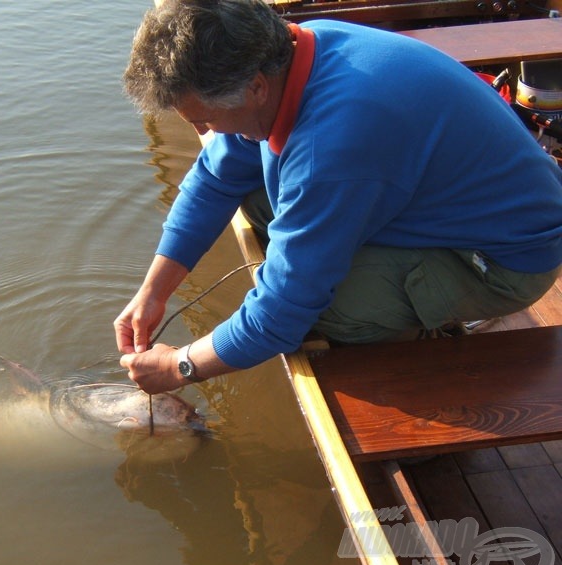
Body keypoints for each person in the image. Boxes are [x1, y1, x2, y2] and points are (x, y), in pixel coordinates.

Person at [114, 0, 562, 395]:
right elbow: (215, 177)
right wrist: (153, 293)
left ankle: (429, 365)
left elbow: (280, 318)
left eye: (206, 119)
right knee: (254, 193)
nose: (204, 132)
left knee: (324, 310)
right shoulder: (294, 52)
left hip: (502, 260)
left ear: (254, 87)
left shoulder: (328, 148)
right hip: (439, 199)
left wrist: (180, 366)